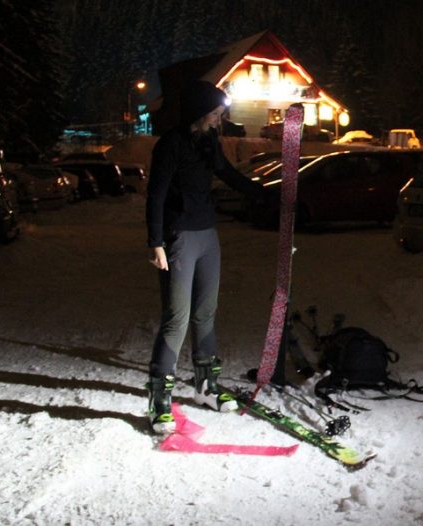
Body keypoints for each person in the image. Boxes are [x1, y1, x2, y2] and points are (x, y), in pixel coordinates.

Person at [145, 80, 266, 434]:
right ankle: (159, 400)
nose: (219, 119)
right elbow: (156, 194)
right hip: (178, 237)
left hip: (208, 235)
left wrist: (265, 194)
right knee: (176, 318)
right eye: (215, 113)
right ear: (199, 112)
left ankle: (205, 386)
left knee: (206, 313)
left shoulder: (208, 142)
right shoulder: (171, 143)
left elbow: (227, 173)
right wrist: (155, 242)